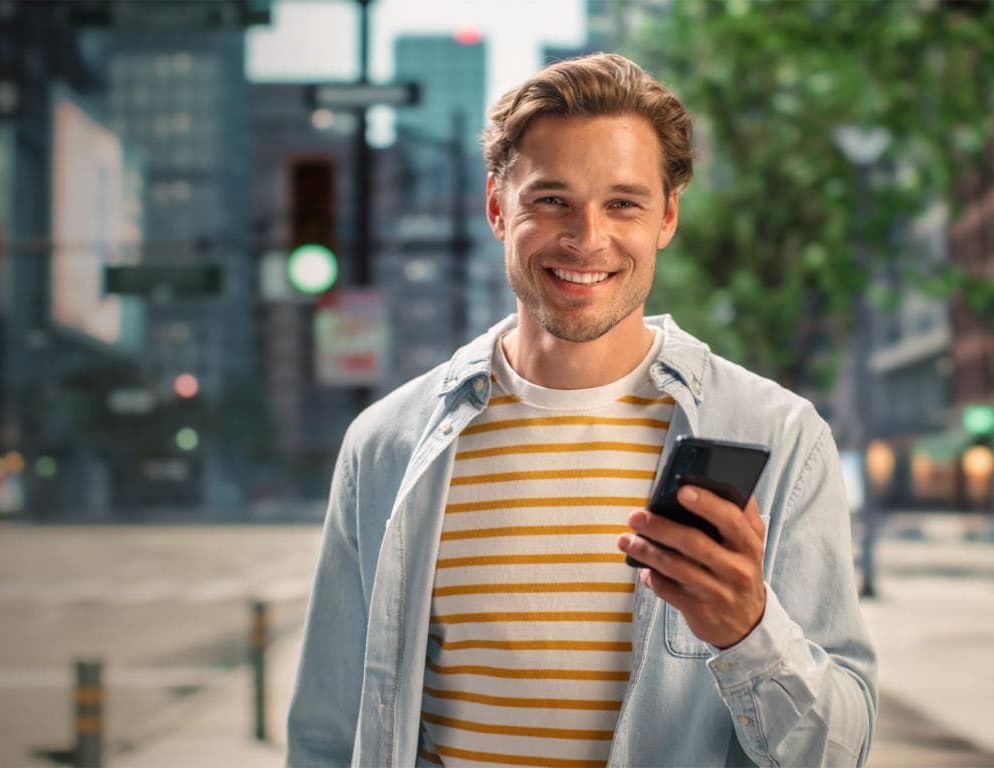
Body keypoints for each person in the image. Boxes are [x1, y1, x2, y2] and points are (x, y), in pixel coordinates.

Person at [287, 53, 877, 768]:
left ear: (667, 216)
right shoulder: (386, 444)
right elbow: (326, 738)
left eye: (623, 203)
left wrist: (749, 633)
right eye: (551, 200)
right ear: (497, 207)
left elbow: (840, 750)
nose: (587, 237)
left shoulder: (779, 437)